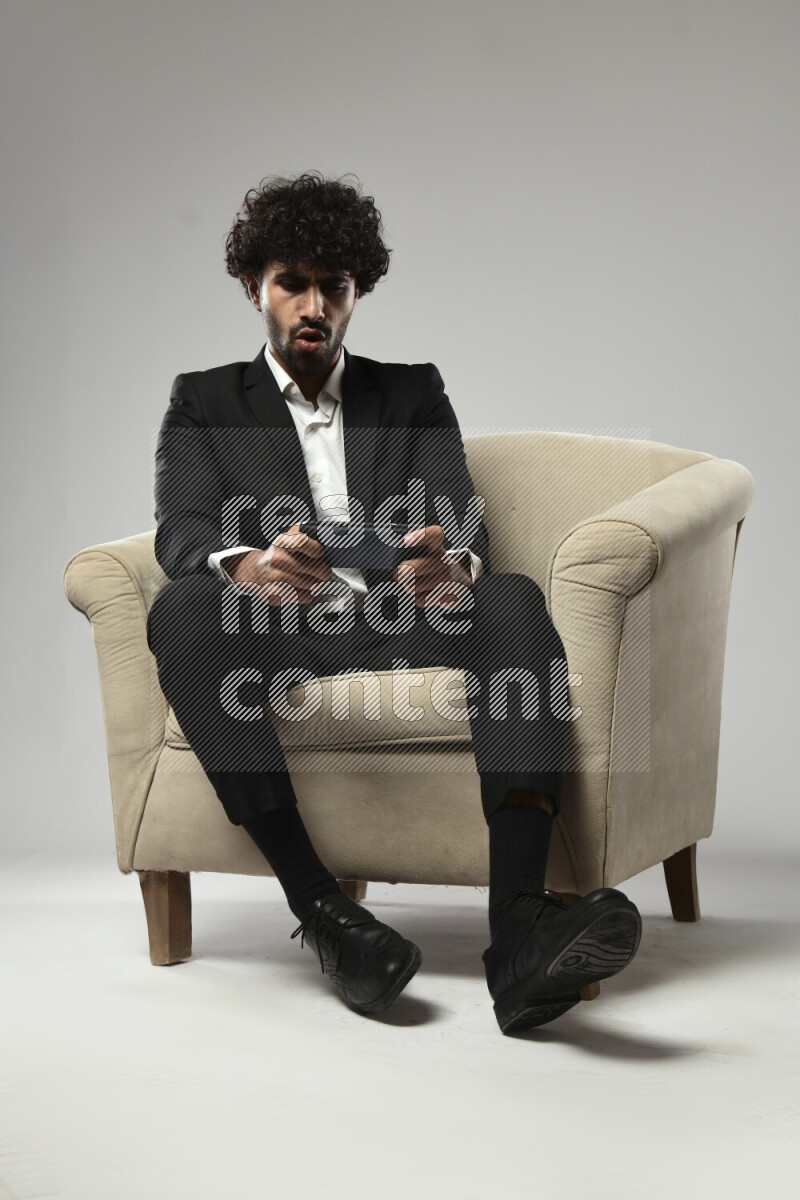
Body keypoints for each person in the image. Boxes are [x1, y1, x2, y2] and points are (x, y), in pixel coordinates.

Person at [147, 171, 642, 1034]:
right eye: (291, 282)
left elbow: (455, 512)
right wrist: (244, 565)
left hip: (399, 614)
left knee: (514, 599)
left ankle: (519, 933)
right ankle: (326, 915)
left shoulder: (411, 391)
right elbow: (180, 526)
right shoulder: (205, 399)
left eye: (332, 287)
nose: (313, 305)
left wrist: (449, 562)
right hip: (282, 624)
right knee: (183, 612)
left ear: (356, 291)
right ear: (253, 287)